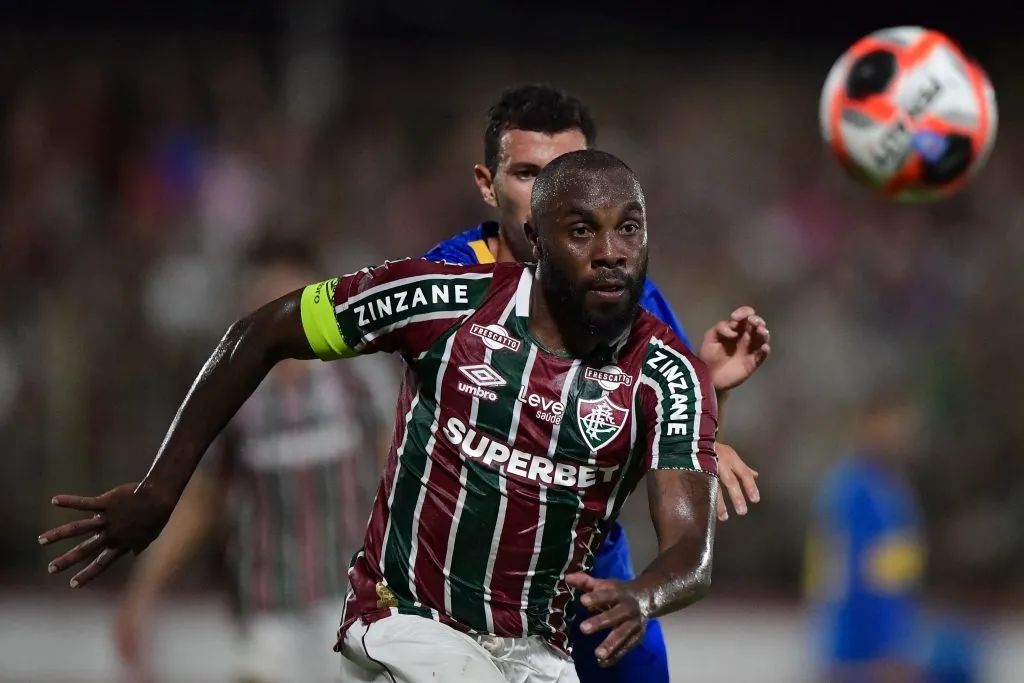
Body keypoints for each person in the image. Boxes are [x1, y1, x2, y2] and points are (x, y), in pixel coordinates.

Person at [40, 149, 770, 683]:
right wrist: (160, 491)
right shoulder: (444, 300)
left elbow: (690, 551)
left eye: (629, 229)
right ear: (537, 242)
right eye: (583, 231)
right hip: (411, 623)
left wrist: (643, 594)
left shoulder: (671, 371)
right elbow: (260, 332)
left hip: (537, 653)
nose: (612, 252)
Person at [423, 83, 766, 682]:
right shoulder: (444, 283)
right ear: (487, 183)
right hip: (462, 586)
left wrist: (713, 389)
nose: (551, 196)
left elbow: (668, 435)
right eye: (530, 174)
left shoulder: (624, 290)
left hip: (590, 579)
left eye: (568, 173)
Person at [113, 237, 385, 683]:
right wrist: (142, 594)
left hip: (350, 603)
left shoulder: (358, 379)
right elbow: (201, 502)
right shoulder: (232, 396)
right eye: (265, 297)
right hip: (265, 612)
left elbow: (399, 471)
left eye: (290, 298)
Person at [804, 384, 927, 683]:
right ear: (867, 423)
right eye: (890, 421)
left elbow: (898, 575)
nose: (899, 431)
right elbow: (846, 577)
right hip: (859, 656)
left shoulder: (894, 488)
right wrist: (872, 653)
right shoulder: (851, 490)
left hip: (889, 647)